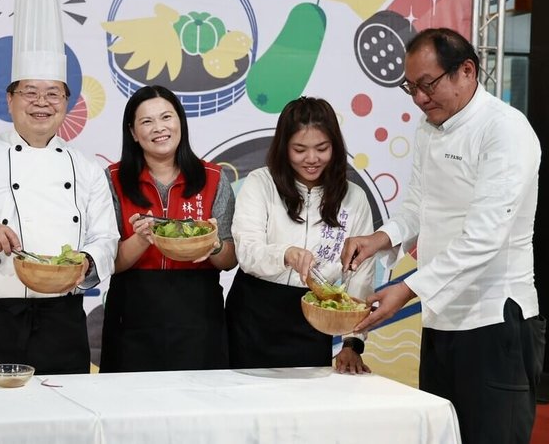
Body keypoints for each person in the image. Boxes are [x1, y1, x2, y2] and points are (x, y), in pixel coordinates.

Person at [342, 27, 545, 444]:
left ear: (467, 71)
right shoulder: (429, 126)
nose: (419, 98)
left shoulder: (505, 131)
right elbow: (418, 205)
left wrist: (406, 289)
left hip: (494, 320)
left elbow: (484, 239)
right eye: (410, 87)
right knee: (442, 437)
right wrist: (379, 238)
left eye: (428, 85)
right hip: (441, 319)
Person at [0, 0, 118, 377]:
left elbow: (106, 239)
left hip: (63, 322)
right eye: (29, 92)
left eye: (53, 94)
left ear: (66, 103)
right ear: (10, 98)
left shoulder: (86, 169)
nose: (41, 103)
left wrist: (86, 261)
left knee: (63, 426)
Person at [225, 96, 374, 373]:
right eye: (299, 149)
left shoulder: (354, 198)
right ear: (284, 148)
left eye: (322, 148)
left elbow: (360, 275)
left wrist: (353, 342)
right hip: (253, 315)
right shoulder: (261, 183)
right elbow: (246, 250)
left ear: (335, 147)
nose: (311, 159)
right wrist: (286, 254)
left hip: (314, 320)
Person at [99, 85, 237, 372]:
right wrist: (141, 238)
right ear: (134, 133)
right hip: (132, 308)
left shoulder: (213, 177)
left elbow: (228, 260)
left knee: (198, 404)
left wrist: (212, 244)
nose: (159, 128)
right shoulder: (112, 178)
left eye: (166, 117)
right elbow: (110, 263)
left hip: (198, 310)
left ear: (180, 123)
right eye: (147, 121)